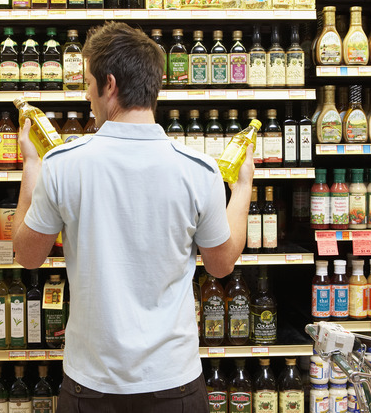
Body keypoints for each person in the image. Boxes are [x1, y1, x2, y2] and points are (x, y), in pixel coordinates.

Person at [13, 21, 254, 412]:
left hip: (91, 385)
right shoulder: (199, 170)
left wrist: (31, 164)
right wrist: (242, 189)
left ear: (109, 84)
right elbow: (222, 264)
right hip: (174, 382)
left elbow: (27, 255)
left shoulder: (62, 165)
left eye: (88, 83)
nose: (87, 95)